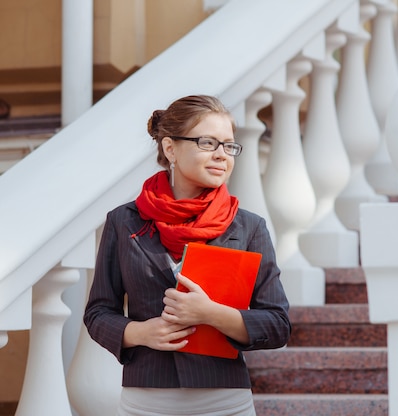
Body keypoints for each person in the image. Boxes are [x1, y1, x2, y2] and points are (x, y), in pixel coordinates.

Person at [83, 94, 291, 416]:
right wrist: (140, 332)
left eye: (229, 145)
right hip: (144, 402)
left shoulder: (249, 227)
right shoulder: (123, 222)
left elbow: (278, 324)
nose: (222, 155)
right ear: (170, 149)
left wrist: (211, 313)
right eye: (208, 143)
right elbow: (98, 312)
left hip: (225, 403)